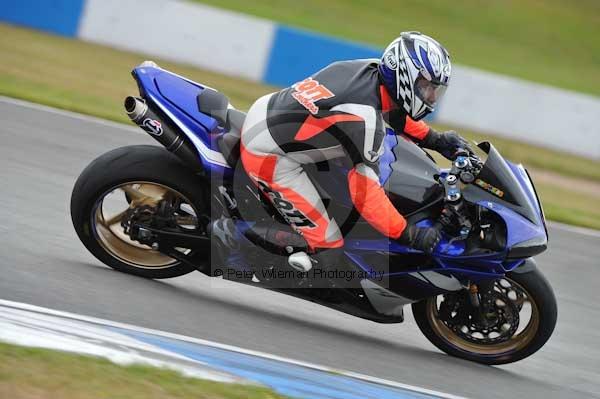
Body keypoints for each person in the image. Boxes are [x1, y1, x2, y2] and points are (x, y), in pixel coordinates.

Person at [240, 32, 470, 287]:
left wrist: (434, 139)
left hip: (272, 113)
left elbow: (394, 112)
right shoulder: (363, 119)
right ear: (405, 76)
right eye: (427, 87)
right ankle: (239, 239)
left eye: (434, 89)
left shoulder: (372, 71)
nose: (432, 97)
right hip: (269, 154)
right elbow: (365, 193)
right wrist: (410, 234)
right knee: (329, 245)